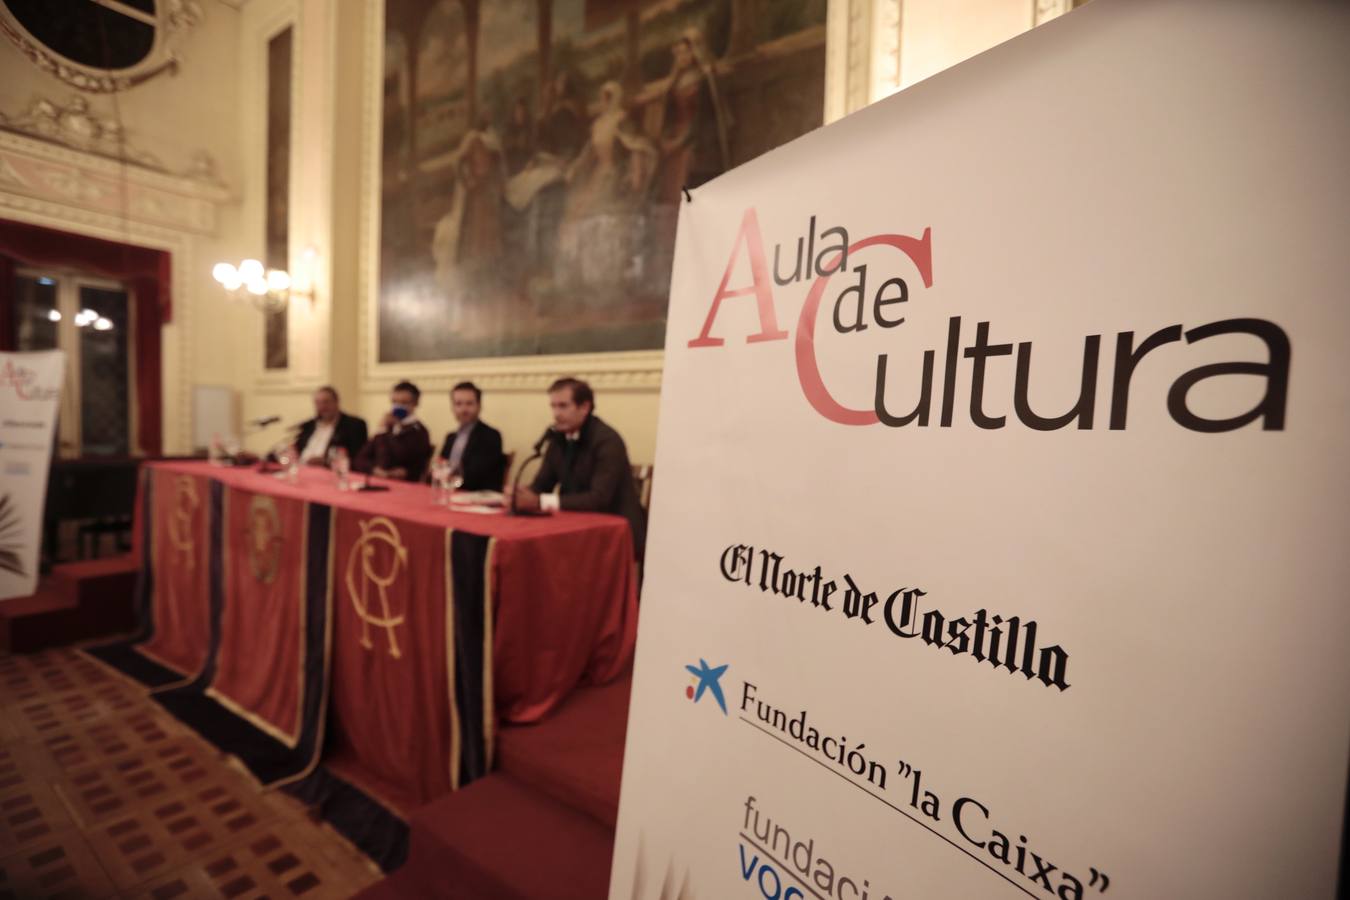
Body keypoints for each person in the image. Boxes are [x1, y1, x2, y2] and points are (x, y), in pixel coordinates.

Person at [514, 377, 646, 560]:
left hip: (615, 533)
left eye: (563, 406)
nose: (556, 414)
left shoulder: (607, 440)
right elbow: (541, 486)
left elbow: (598, 499)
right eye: (553, 406)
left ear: (584, 407)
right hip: (574, 526)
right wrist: (520, 495)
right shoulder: (558, 438)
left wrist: (539, 502)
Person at [353, 381, 433, 482]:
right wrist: (373, 469)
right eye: (394, 402)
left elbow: (388, 462)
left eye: (404, 403)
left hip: (402, 486)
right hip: (377, 481)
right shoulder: (388, 427)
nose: (397, 406)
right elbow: (359, 459)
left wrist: (383, 432)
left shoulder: (419, 432)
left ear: (415, 403)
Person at [437, 381, 505, 491]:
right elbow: (440, 466)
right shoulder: (450, 437)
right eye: (458, 404)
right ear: (452, 407)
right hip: (449, 493)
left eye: (469, 404)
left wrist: (447, 478)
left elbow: (476, 476)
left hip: (477, 498)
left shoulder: (491, 436)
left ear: (479, 406)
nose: (464, 409)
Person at [295, 385, 368, 466]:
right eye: (318, 403)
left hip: (329, 471)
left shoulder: (354, 425)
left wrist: (325, 461)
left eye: (326, 402)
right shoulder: (308, 425)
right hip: (302, 468)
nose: (322, 407)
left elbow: (357, 457)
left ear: (336, 402)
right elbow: (297, 449)